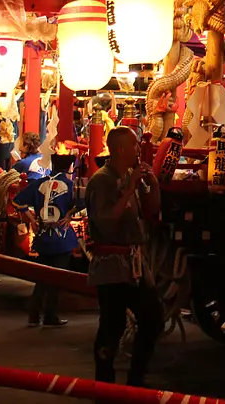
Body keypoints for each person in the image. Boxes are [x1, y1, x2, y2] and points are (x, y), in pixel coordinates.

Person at [85, 126, 163, 386]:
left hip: (135, 262)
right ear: (120, 150)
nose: (138, 149)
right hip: (111, 265)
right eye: (135, 145)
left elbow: (151, 213)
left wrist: (152, 185)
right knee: (111, 326)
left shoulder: (132, 175)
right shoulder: (102, 180)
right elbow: (104, 220)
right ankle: (105, 385)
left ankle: (136, 379)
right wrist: (129, 188)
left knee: (152, 319)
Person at [14, 161, 79, 328]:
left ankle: (33, 315)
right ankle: (50, 316)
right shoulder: (70, 184)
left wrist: (32, 220)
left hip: (43, 235)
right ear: (69, 168)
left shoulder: (39, 183)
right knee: (57, 277)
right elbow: (84, 202)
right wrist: (70, 215)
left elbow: (17, 202)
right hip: (61, 236)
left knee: (41, 277)